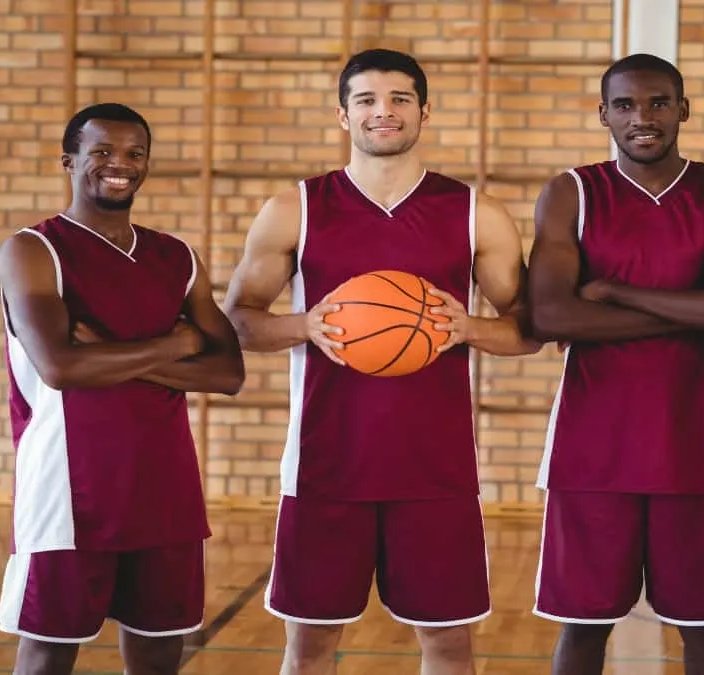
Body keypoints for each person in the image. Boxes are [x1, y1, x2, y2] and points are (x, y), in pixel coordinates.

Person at [221, 48, 539, 675]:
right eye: (366, 100)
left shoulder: (477, 213)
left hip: (435, 470)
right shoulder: (296, 209)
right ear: (343, 115)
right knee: (309, 646)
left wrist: (467, 327)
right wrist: (304, 325)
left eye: (399, 99)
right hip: (324, 465)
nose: (383, 112)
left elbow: (530, 329)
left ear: (424, 111)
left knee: (448, 643)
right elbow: (239, 321)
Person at [526, 53, 704, 675]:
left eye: (659, 102)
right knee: (583, 632)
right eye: (626, 105)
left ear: (684, 110)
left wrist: (613, 290)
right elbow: (551, 319)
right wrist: (703, 305)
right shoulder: (571, 193)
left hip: (696, 450)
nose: (643, 118)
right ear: (603, 114)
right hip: (591, 453)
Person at [0, 102, 246, 675]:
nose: (120, 165)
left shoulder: (176, 257)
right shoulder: (34, 250)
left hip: (166, 488)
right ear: (69, 160)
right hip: (67, 489)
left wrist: (105, 352)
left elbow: (228, 374)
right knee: (48, 652)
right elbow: (60, 368)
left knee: (160, 647)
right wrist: (178, 345)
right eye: (102, 152)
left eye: (135, 154)